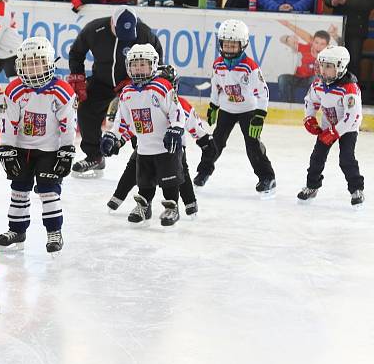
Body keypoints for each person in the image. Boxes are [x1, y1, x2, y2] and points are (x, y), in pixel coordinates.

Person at [0, 37, 76, 253]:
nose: (33, 68)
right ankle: (17, 230)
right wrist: (8, 149)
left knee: (49, 192)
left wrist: (67, 150)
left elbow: (68, 124)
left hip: (50, 150)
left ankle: (54, 233)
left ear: (49, 62)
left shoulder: (62, 90)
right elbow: (9, 123)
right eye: (28, 63)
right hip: (22, 149)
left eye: (38, 62)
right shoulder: (14, 89)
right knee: (18, 191)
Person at [106, 64, 216, 217]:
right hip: (147, 144)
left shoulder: (181, 105)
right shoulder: (142, 99)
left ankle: (189, 204)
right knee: (134, 168)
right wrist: (120, 140)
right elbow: (134, 125)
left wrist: (204, 140)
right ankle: (123, 198)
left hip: (172, 147)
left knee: (180, 174)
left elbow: (194, 127)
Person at [66, 7, 163, 177]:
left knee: (138, 115)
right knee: (87, 109)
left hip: (132, 82)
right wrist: (78, 77)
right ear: (112, 22)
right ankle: (94, 156)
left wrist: (143, 80)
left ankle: (143, 159)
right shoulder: (94, 29)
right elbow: (76, 52)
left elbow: (158, 59)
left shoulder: (144, 33)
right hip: (101, 80)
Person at [99, 44, 186, 225]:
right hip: (144, 148)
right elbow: (123, 121)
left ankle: (172, 208)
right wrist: (112, 136)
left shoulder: (162, 87)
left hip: (165, 147)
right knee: (144, 182)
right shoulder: (127, 93)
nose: (138, 68)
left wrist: (176, 128)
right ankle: (144, 207)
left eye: (143, 64)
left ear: (153, 65)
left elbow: (176, 111)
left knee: (170, 182)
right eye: (134, 64)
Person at [193, 19, 276, 195]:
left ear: (243, 44)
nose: (229, 49)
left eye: (233, 45)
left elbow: (263, 92)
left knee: (252, 145)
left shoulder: (250, 67)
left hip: (248, 111)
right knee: (216, 142)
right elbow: (216, 86)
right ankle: (203, 172)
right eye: (226, 45)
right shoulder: (218, 64)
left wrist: (259, 115)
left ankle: (267, 177)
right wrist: (213, 106)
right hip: (227, 110)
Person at [298, 46, 364, 207]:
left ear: (340, 67)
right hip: (328, 127)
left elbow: (352, 117)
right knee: (317, 157)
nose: (323, 69)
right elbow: (310, 101)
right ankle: (312, 186)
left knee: (346, 159)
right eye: (322, 65)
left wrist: (335, 132)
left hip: (348, 129)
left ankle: (357, 189)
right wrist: (309, 118)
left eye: (328, 66)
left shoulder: (349, 89)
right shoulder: (318, 85)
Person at [323, 0, 374, 81]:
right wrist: (332, 1)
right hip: (339, 28)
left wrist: (348, 1)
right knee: (335, 60)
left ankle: (353, 90)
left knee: (353, 62)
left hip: (356, 28)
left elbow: (369, 4)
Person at [276, 23, 331, 103]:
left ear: (326, 46)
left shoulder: (327, 56)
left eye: (322, 44)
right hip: (298, 78)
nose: (318, 46)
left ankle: (312, 105)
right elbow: (282, 39)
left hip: (311, 80)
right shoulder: (304, 48)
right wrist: (288, 38)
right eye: (316, 42)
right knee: (282, 79)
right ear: (313, 42)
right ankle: (287, 104)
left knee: (316, 79)